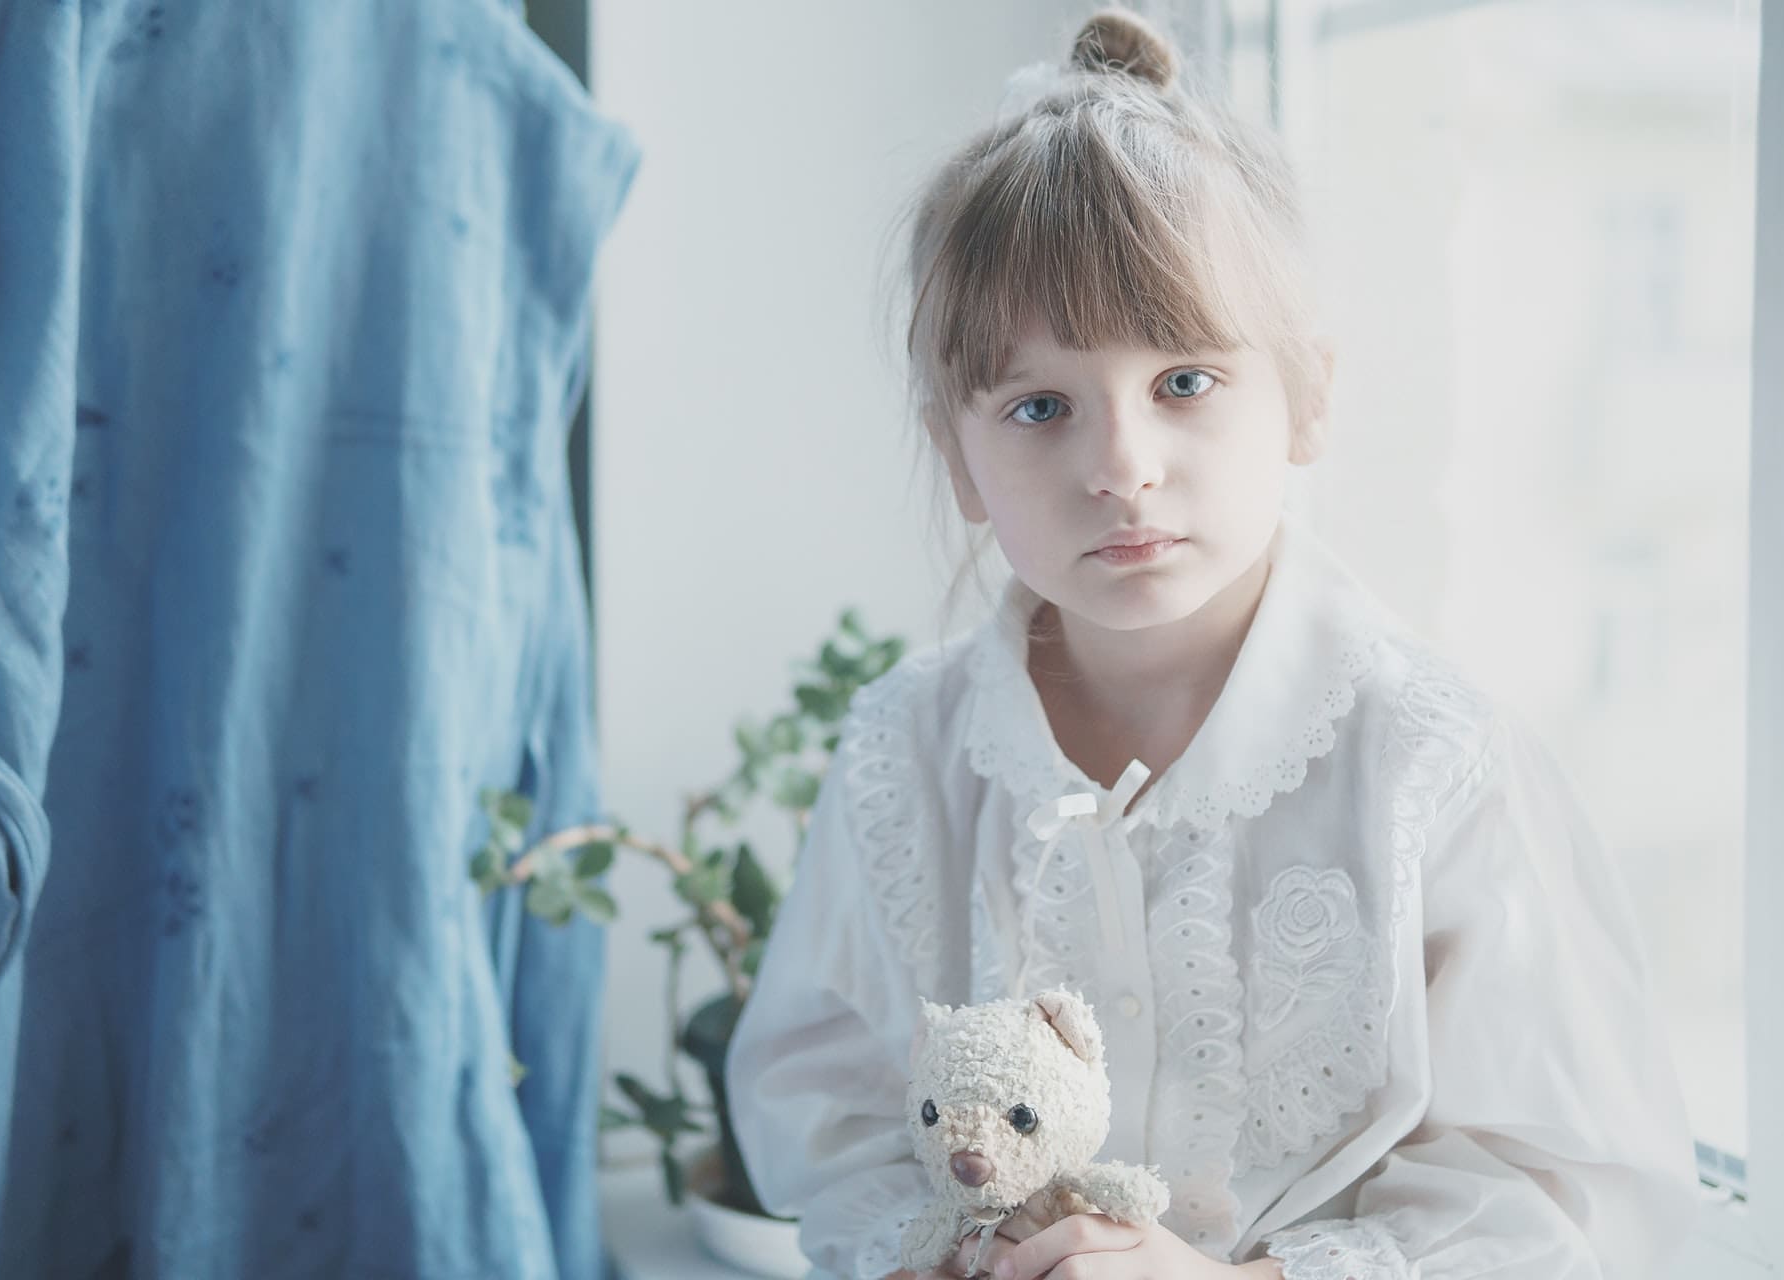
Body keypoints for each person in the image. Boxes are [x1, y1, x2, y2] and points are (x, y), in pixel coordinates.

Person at [725, 9, 1696, 1280]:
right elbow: (828, 1116)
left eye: (1184, 381)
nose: (1120, 466)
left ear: (1308, 395)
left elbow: (1566, 1195)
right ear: (958, 454)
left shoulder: (1436, 765)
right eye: (1039, 405)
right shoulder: (904, 758)